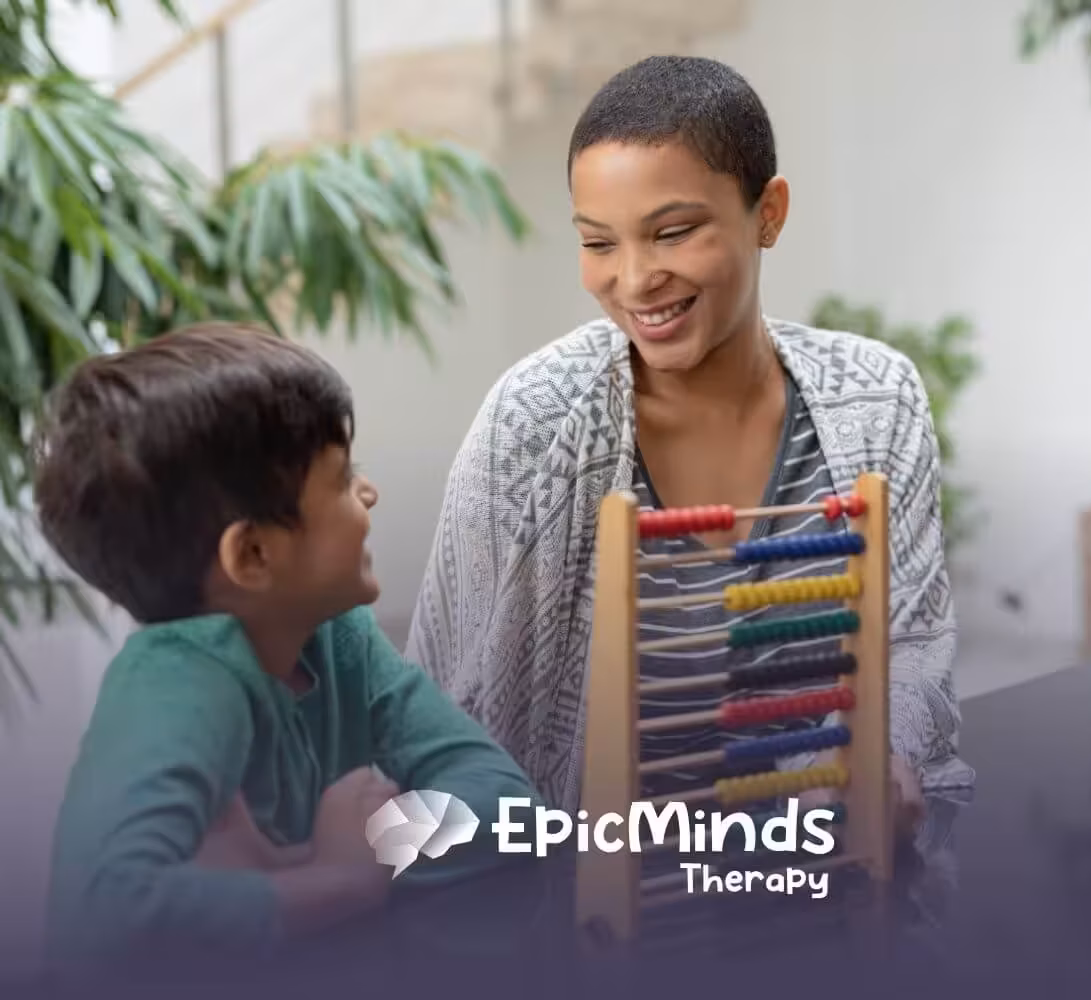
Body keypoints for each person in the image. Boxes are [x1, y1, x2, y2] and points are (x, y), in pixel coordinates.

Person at [405, 55, 976, 821]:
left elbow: (914, 646)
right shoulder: (532, 421)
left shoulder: (879, 397)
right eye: (599, 243)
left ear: (768, 213)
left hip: (830, 866)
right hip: (597, 897)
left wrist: (877, 757)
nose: (634, 280)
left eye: (671, 232)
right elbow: (440, 702)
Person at [33, 324, 540, 971]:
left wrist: (366, 852)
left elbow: (507, 807)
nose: (369, 492)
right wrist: (335, 880)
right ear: (252, 554)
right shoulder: (173, 687)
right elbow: (106, 918)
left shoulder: (334, 637)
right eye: (341, 477)